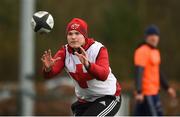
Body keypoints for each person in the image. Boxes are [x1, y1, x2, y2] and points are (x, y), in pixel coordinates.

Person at [41, 18, 121, 116]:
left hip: (108, 96)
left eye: (77, 33)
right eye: (70, 34)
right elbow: (49, 74)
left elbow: (103, 75)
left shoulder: (98, 49)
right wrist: (47, 69)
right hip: (85, 101)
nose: (73, 37)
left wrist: (88, 65)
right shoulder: (64, 52)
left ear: (84, 35)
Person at [133, 24, 176, 116]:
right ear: (146, 37)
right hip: (146, 93)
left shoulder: (155, 52)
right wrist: (139, 91)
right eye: (152, 36)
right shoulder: (142, 51)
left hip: (154, 92)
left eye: (156, 36)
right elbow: (138, 71)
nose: (154, 38)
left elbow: (158, 72)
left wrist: (167, 87)